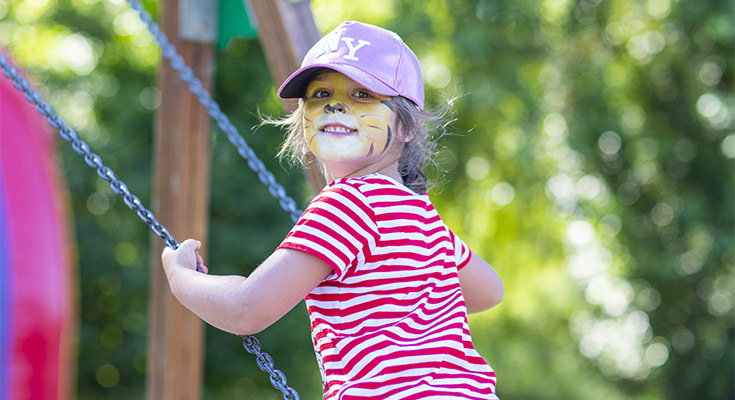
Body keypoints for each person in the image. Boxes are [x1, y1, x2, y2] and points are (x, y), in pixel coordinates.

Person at [162, 20, 504, 399]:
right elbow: (489, 291)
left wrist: (180, 279)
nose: (336, 105)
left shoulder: (347, 204)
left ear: (407, 126)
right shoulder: (423, 218)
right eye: (320, 93)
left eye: (362, 95)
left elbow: (247, 309)